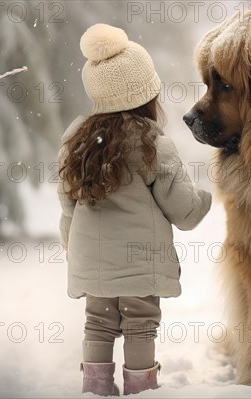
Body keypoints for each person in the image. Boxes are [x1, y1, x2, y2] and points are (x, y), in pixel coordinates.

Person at [57, 23, 212, 396]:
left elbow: (67, 209)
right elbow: (184, 211)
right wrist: (206, 196)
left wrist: (74, 249)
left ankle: (94, 389)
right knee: (140, 325)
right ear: (147, 94)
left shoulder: (76, 142)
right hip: (140, 264)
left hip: (92, 263)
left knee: (97, 323)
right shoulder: (151, 143)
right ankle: (142, 391)